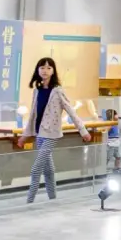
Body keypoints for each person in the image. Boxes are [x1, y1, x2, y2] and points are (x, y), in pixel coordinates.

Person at [21, 57, 91, 203]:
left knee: (36, 169)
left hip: (51, 135)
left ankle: (29, 201)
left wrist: (83, 130)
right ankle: (53, 200)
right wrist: (24, 136)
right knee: (48, 170)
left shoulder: (58, 91)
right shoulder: (37, 91)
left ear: (53, 71)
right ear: (37, 70)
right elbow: (33, 115)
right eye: (42, 68)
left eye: (48, 68)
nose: (45, 71)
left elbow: (71, 111)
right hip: (39, 134)